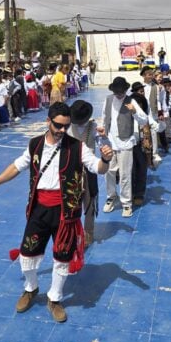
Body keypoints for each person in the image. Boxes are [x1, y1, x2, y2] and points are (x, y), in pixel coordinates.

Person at [0, 102, 113, 323]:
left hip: (65, 211)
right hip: (39, 208)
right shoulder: (35, 145)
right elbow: (16, 166)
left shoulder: (77, 147)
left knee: (62, 256)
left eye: (66, 126)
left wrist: (106, 160)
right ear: (48, 121)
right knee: (28, 251)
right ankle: (31, 288)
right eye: (58, 126)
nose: (62, 131)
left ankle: (55, 298)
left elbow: (97, 168)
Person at [99, 77, 150, 218]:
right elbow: (104, 117)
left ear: (125, 90)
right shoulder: (108, 100)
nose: (119, 94)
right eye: (117, 92)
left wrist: (134, 111)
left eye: (121, 92)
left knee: (125, 174)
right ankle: (111, 196)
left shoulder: (131, 101)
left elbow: (144, 120)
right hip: (110, 141)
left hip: (125, 142)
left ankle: (126, 202)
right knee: (109, 171)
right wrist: (102, 129)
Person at [67, 100, 100, 246]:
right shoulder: (67, 126)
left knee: (90, 201)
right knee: (70, 202)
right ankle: (71, 232)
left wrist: (104, 138)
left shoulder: (94, 127)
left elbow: (104, 144)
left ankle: (88, 233)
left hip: (89, 170)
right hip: (70, 169)